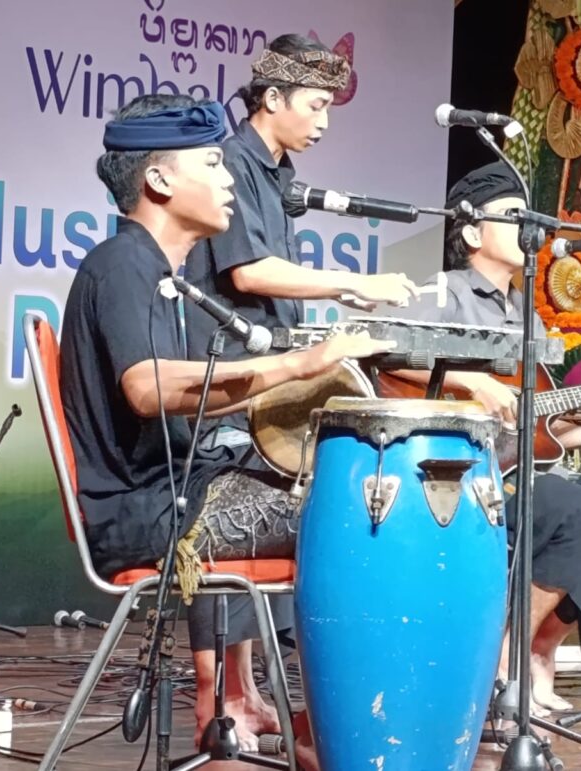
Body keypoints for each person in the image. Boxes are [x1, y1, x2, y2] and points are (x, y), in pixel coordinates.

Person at [60, 92, 392, 769]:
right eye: (211, 164)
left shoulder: (160, 272)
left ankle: (308, 715)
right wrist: (296, 365)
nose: (228, 180)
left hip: (178, 497)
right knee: (359, 508)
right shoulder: (123, 263)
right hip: (156, 514)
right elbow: (148, 388)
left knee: (341, 487)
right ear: (159, 179)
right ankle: (334, 726)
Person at [181, 33, 419, 748]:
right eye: (314, 105)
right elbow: (248, 272)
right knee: (270, 506)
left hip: (260, 383)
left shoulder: (276, 177)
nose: (323, 121)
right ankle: (215, 696)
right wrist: (352, 281)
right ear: (272, 98)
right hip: (225, 390)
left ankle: (246, 689)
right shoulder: (232, 164)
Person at [395, 162, 581, 712]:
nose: (528, 226)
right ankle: (501, 661)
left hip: (526, 465)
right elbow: (385, 351)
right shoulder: (444, 292)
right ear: (473, 233)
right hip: (462, 469)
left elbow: (542, 422)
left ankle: (540, 646)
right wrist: (470, 380)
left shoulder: (527, 313)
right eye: (511, 215)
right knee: (580, 512)